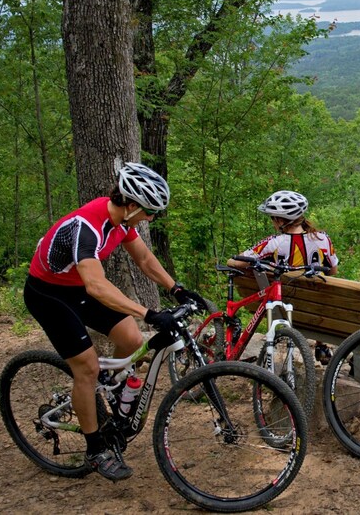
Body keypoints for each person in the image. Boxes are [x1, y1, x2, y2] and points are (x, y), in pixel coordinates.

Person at [23, 162, 205, 481]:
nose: (152, 218)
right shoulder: (87, 227)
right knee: (88, 367)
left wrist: (176, 289)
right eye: (150, 211)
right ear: (132, 204)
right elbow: (96, 286)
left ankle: (108, 392)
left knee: (133, 340)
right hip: (48, 294)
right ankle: (95, 450)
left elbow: (145, 259)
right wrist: (149, 313)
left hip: (76, 288)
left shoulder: (122, 221)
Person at [227, 190, 339, 363]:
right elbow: (333, 271)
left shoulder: (273, 243)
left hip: (283, 311)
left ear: (280, 221)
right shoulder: (323, 239)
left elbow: (234, 262)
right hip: (317, 315)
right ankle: (321, 344)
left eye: (272, 218)